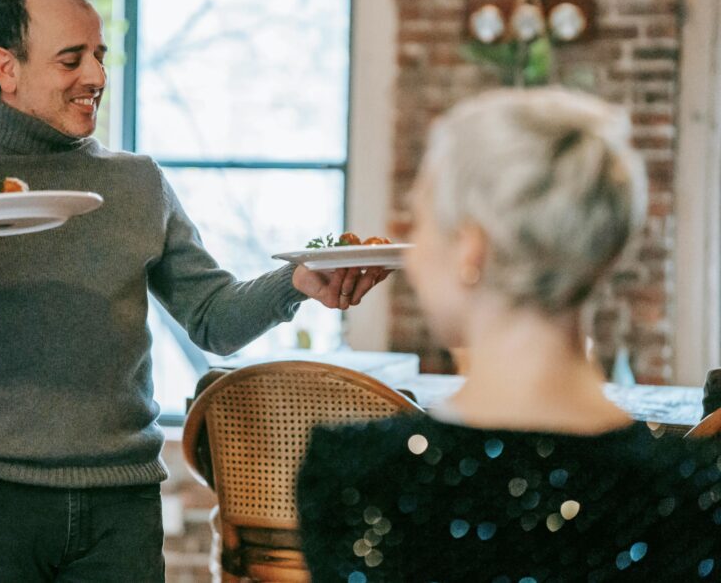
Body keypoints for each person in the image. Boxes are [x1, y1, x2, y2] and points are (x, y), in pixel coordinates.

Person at [0, 0, 388, 582]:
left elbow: (214, 320)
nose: (96, 76)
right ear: (7, 68)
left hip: (121, 507)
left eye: (99, 56)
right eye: (71, 59)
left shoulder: (137, 182)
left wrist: (296, 281)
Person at [296, 88, 721, 581]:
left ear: (470, 247)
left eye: (419, 222)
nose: (412, 253)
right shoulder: (698, 496)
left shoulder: (354, 480)